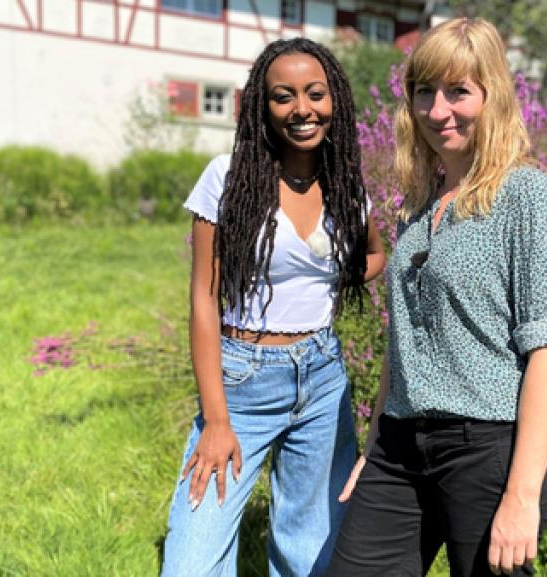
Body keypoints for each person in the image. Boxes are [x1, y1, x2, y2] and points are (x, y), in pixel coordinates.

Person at [326, 17, 547, 577]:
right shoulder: (419, 204)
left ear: (493, 95)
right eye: (424, 92)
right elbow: (404, 340)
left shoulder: (527, 195)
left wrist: (522, 497)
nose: (438, 111)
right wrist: (372, 447)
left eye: (458, 91)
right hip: (399, 449)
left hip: (487, 450)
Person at [160, 37, 386, 577]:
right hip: (241, 380)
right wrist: (216, 419)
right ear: (263, 108)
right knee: (192, 560)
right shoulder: (227, 177)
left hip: (322, 376)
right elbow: (202, 301)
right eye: (283, 97)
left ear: (336, 101)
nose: (302, 109)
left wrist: (337, 271)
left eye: (315, 94)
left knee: (311, 550)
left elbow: (375, 255)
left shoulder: (348, 187)